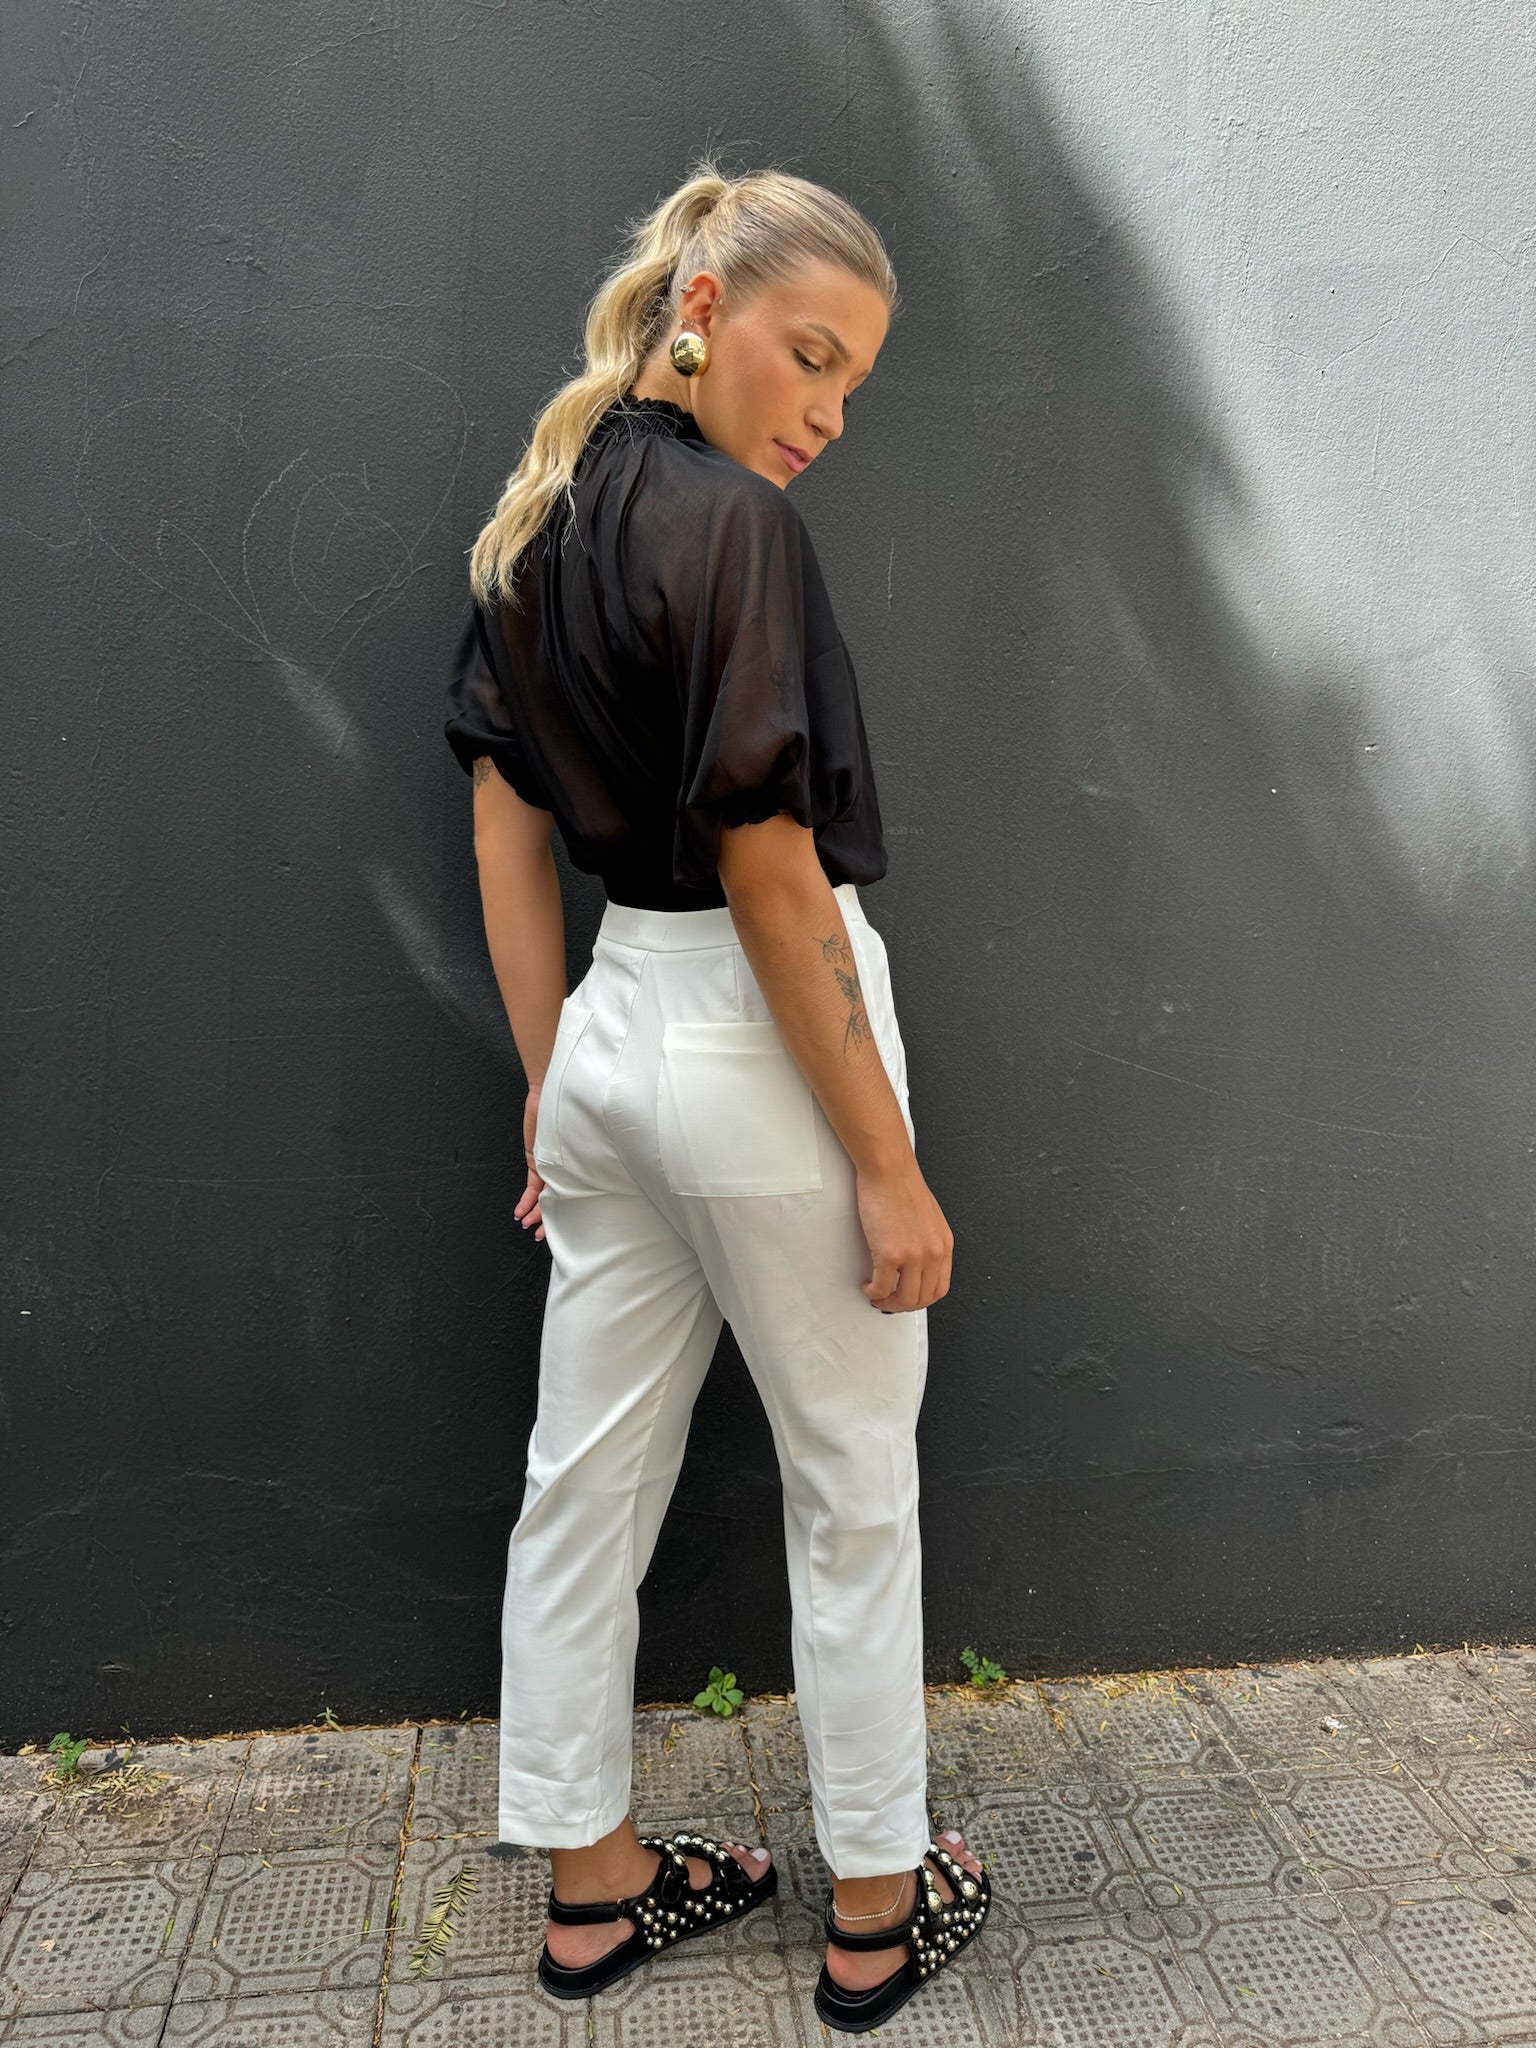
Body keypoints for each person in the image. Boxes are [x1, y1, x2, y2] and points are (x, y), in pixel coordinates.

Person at [443, 158, 992, 2033]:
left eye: (854, 384)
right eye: (809, 356)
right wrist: (887, 1164)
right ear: (702, 305)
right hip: (765, 1053)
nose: (827, 414)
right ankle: (873, 1910)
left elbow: (506, 833)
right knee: (852, 1490)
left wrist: (551, 1084)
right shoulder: (734, 526)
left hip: (613, 1037)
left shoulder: (539, 513)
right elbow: (771, 866)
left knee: (581, 1488)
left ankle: (592, 1894)